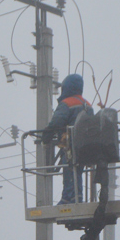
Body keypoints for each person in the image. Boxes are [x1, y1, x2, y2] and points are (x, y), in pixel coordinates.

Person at [42, 73, 92, 205]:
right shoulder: (88, 105)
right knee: (77, 171)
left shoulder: (66, 103)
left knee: (69, 171)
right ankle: (76, 197)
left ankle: (68, 198)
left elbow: (56, 122)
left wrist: (45, 138)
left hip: (70, 145)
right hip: (85, 146)